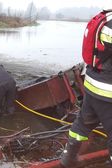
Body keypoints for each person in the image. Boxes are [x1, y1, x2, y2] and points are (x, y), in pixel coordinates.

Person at [60, 11, 112, 167]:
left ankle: (68, 159)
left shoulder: (105, 19)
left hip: (92, 85)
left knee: (82, 124)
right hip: (108, 92)